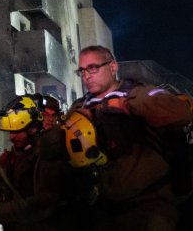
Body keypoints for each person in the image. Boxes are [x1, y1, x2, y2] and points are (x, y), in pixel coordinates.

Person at [68, 45, 193, 231]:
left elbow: (181, 113)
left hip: (150, 206)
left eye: (93, 68)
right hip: (103, 209)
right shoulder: (80, 106)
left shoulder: (137, 92)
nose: (86, 75)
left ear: (113, 67)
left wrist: (125, 105)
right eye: (82, 70)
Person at [0, 95, 70, 231]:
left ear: (33, 129)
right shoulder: (10, 158)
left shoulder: (48, 156)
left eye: (17, 131)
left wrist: (0, 211)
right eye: (11, 132)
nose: (12, 137)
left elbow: (45, 203)